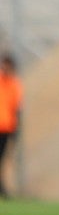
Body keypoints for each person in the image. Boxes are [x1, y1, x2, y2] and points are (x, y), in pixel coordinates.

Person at [0, 53, 23, 199]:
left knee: (2, 159)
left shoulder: (15, 84)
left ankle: (2, 187)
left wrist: (16, 132)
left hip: (7, 128)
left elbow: (17, 108)